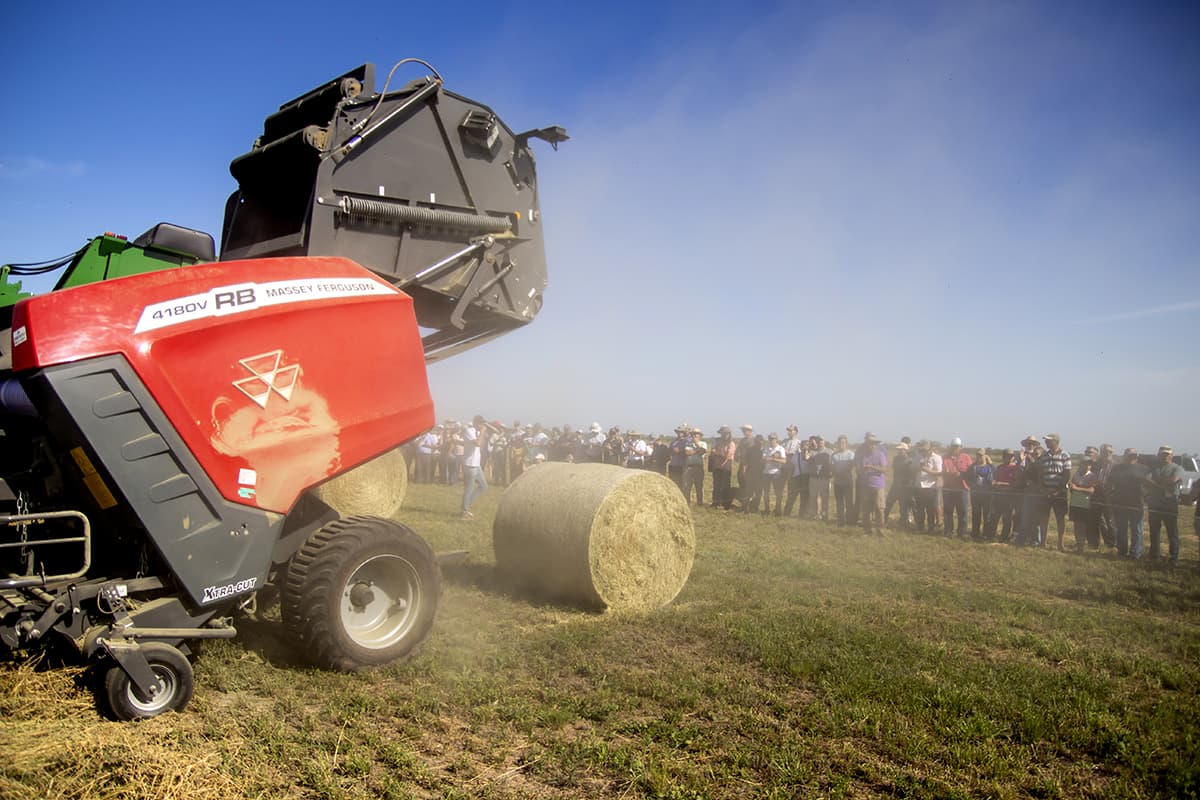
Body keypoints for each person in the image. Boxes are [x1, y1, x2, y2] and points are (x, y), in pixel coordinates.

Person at [1106, 447, 1148, 558]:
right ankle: (1122, 552)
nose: (1131, 458)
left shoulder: (1144, 469)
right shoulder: (1117, 468)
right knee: (1121, 529)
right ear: (1124, 456)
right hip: (1120, 503)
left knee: (1137, 530)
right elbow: (1110, 483)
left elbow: (1149, 485)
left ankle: (1135, 553)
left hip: (1136, 504)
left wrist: (1146, 495)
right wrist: (1110, 496)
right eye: (1129, 456)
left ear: (1136, 457)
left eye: (1133, 456)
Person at [1145, 445, 1185, 564]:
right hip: (1154, 503)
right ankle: (1154, 555)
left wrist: (1157, 481)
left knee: (1172, 531)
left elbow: (1174, 480)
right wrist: (1165, 483)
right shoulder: (1153, 468)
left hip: (1170, 503)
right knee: (1154, 530)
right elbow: (1146, 480)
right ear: (1158, 455)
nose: (1165, 456)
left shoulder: (1178, 468)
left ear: (1171, 456)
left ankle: (1174, 557)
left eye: (1167, 454)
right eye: (1163, 454)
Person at [1038, 434, 1072, 550]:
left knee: (1060, 518)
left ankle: (1060, 543)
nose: (1046, 442)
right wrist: (1043, 488)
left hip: (1060, 493)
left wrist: (1058, 490)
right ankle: (1043, 542)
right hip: (1045, 493)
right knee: (1044, 517)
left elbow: (1067, 474)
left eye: (1048, 440)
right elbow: (1041, 474)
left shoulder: (1065, 455)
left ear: (1055, 441)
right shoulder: (1044, 456)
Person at [986, 449, 1020, 542]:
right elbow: (995, 480)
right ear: (1004, 456)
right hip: (998, 496)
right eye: (1008, 455)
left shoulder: (1015, 468)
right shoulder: (999, 467)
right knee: (994, 517)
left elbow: (1015, 484)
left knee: (1007, 518)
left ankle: (1004, 537)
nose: (1010, 457)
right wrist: (995, 483)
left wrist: (1000, 484)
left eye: (1012, 456)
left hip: (1009, 497)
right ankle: (991, 535)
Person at [941, 437, 972, 538]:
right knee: (948, 511)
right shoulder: (945, 457)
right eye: (953, 446)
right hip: (948, 489)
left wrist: (961, 474)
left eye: (957, 447)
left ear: (961, 447)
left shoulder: (966, 457)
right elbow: (940, 471)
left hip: (962, 489)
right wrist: (948, 473)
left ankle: (962, 532)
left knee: (962, 512)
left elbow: (970, 472)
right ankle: (948, 531)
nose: (955, 448)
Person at [857, 433, 888, 535]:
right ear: (866, 444)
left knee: (879, 508)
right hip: (866, 485)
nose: (872, 445)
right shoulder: (862, 456)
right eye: (870, 443)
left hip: (878, 485)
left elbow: (884, 469)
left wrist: (872, 467)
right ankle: (867, 530)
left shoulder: (880, 455)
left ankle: (880, 529)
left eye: (874, 443)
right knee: (866, 509)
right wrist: (861, 470)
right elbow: (859, 469)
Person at [1068, 451, 1099, 552]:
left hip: (1085, 504)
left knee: (1083, 526)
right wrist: (1071, 487)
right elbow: (1072, 486)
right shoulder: (1076, 474)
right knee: (1076, 525)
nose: (1087, 466)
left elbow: (1092, 490)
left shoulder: (1092, 476)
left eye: (1089, 464)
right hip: (1075, 503)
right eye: (1085, 463)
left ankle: (1082, 546)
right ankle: (1079, 545)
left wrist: (1077, 488)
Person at [460, 415, 490, 518]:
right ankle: (464, 511)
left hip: (476, 464)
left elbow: (480, 445)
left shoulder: (477, 432)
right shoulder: (469, 431)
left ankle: (466, 506)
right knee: (469, 488)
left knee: (484, 486)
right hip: (470, 464)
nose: (482, 425)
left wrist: (482, 433)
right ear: (476, 423)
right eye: (481, 423)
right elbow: (477, 443)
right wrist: (482, 432)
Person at [914, 440, 942, 534]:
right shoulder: (918, 456)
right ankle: (920, 527)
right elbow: (912, 468)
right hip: (919, 486)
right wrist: (918, 468)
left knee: (930, 509)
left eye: (924, 449)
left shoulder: (936, 458)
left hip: (930, 487)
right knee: (920, 509)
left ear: (930, 448)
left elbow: (939, 473)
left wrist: (927, 470)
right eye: (921, 449)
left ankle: (931, 528)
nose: (923, 451)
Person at [1091, 443, 1116, 549]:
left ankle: (1113, 543)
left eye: (1110, 452)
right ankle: (1099, 543)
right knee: (1098, 520)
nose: (1107, 454)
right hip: (1097, 495)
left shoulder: (1116, 466)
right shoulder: (1096, 465)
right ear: (1101, 453)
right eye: (1105, 452)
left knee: (1110, 521)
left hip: (1110, 496)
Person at [966, 448, 994, 540]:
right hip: (975, 494)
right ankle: (975, 533)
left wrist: (991, 463)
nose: (979, 457)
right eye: (978, 455)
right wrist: (971, 485)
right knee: (976, 514)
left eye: (981, 455)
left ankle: (986, 534)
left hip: (987, 495)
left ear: (985, 455)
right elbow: (967, 478)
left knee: (987, 516)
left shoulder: (990, 467)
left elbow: (995, 475)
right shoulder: (973, 467)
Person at [884, 440, 914, 529]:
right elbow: (894, 468)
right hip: (895, 485)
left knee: (903, 506)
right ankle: (883, 520)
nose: (900, 451)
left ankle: (904, 523)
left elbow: (910, 475)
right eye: (899, 450)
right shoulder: (896, 458)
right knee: (888, 503)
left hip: (904, 487)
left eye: (901, 449)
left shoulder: (910, 461)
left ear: (905, 450)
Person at [709, 426, 736, 510]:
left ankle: (725, 503)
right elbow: (712, 451)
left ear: (729, 434)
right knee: (716, 485)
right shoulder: (717, 441)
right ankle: (716, 502)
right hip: (717, 466)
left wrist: (717, 453)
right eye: (723, 433)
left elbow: (727, 456)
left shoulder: (731, 443)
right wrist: (716, 453)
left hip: (726, 466)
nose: (725, 435)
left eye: (726, 433)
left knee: (725, 485)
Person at [760, 433, 787, 516]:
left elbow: (784, 461)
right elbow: (763, 459)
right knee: (766, 492)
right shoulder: (766, 448)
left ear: (776, 439)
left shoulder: (781, 448)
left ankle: (778, 510)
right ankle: (767, 509)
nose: (772, 440)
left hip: (776, 473)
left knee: (778, 493)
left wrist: (774, 459)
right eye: (770, 439)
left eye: (773, 439)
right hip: (766, 473)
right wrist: (773, 458)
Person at [782, 426, 805, 517]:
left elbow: (799, 456)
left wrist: (789, 454)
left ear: (796, 432)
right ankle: (785, 512)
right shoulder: (784, 441)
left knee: (792, 491)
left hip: (794, 471)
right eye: (788, 430)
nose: (789, 432)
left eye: (791, 430)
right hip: (784, 469)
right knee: (787, 491)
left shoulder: (799, 443)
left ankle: (791, 512)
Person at [807, 436, 832, 521]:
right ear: (816, 442)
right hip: (814, 478)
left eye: (822, 441)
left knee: (824, 497)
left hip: (824, 478)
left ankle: (824, 515)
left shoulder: (829, 451)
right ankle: (814, 514)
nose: (820, 442)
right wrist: (807, 447)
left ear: (824, 442)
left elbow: (832, 464)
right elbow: (806, 457)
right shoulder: (813, 452)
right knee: (813, 497)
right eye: (818, 441)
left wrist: (830, 475)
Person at [683, 427, 708, 506]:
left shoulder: (703, 443)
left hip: (698, 467)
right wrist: (697, 450)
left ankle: (700, 503)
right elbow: (687, 453)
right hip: (689, 467)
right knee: (687, 486)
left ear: (700, 435)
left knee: (699, 486)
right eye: (693, 434)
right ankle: (687, 502)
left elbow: (703, 452)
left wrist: (696, 445)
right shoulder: (688, 443)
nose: (694, 436)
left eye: (696, 434)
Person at [668, 423, 690, 491]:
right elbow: (669, 450)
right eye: (678, 432)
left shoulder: (686, 441)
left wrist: (679, 451)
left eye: (681, 432)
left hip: (681, 465)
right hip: (673, 464)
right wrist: (672, 450)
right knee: (672, 482)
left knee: (681, 483)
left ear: (683, 433)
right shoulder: (674, 441)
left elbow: (687, 452)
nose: (679, 433)